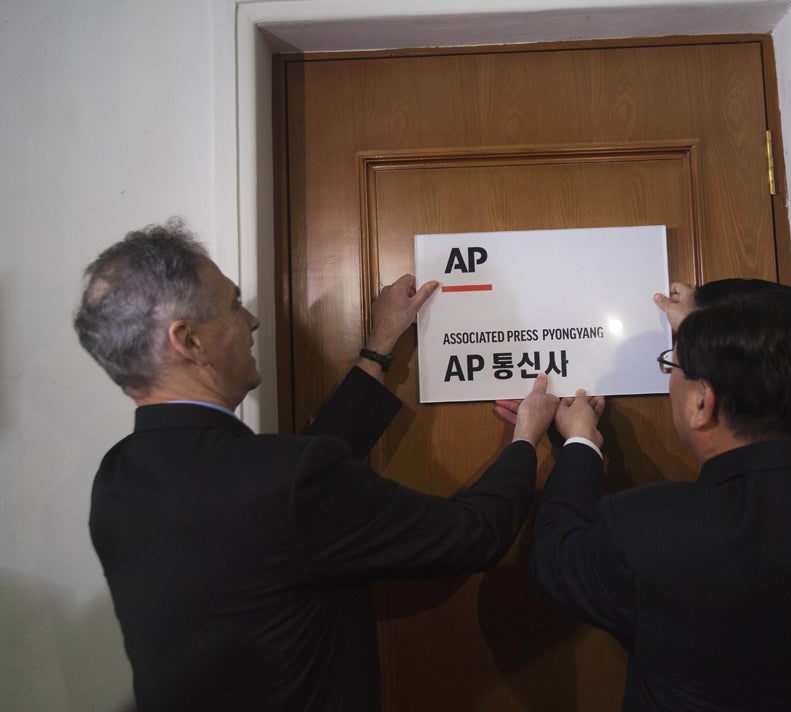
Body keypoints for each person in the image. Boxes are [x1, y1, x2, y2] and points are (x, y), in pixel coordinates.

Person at [74, 219, 560, 712]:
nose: (252, 321)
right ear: (189, 340)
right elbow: (471, 535)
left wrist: (379, 347)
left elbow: (285, 501)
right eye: (233, 304)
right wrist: (526, 437)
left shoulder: (117, 477)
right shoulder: (282, 482)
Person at [521, 278, 791, 712]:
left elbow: (554, 549)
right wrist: (719, 338)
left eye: (675, 365)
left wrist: (580, 441)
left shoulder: (649, 530)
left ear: (703, 403)